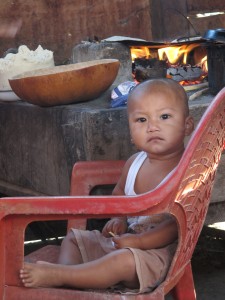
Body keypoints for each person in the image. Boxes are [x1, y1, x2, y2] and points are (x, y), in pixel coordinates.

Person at [19, 78, 194, 294]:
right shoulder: (133, 164)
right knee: (75, 238)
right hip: (126, 240)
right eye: (141, 120)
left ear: (187, 125)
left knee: (122, 261)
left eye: (164, 117)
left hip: (157, 255)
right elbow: (119, 194)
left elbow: (175, 226)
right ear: (130, 133)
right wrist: (119, 218)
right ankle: (69, 277)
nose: (152, 127)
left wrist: (139, 242)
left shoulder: (186, 171)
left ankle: (61, 276)